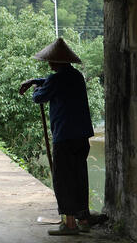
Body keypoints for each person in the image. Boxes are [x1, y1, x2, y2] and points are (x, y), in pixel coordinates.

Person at [19, 38, 94, 236]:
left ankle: (69, 224)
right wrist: (37, 81)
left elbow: (39, 97)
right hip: (82, 137)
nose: (49, 64)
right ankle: (83, 218)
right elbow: (55, 82)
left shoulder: (56, 79)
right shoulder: (76, 76)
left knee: (63, 179)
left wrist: (36, 89)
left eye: (51, 61)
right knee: (79, 177)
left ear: (58, 62)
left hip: (65, 137)